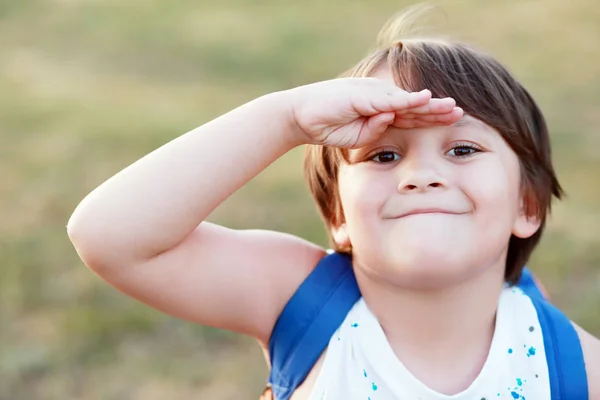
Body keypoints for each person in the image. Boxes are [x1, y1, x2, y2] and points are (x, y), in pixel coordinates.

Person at [67, 6, 599, 400]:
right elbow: (110, 237)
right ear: (340, 217)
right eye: (384, 156)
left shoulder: (569, 363)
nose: (421, 175)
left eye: (462, 149)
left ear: (526, 206)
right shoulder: (303, 302)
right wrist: (287, 119)